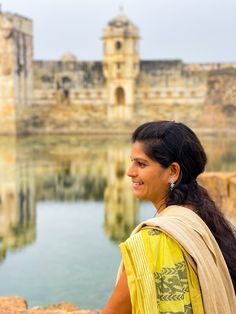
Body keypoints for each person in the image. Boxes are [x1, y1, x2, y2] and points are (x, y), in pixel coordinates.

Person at [101, 120, 236, 314]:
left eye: (141, 164)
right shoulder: (201, 218)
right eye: (131, 162)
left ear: (173, 171)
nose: (130, 172)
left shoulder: (152, 241)